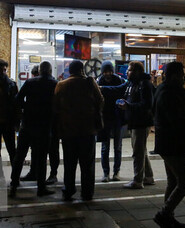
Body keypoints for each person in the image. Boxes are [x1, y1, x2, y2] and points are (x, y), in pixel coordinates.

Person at [152, 61, 185, 228]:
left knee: (173, 182)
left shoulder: (164, 90)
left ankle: (168, 219)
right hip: (173, 143)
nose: (184, 77)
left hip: (168, 142)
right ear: (174, 75)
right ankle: (164, 214)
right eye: (182, 74)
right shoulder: (169, 93)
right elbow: (179, 118)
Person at [53, 60, 104, 201]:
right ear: (82, 70)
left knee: (69, 163)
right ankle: (87, 192)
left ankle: (69, 190)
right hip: (87, 130)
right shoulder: (89, 82)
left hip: (68, 131)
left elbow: (55, 107)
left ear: (69, 70)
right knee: (87, 164)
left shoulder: (61, 85)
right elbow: (100, 101)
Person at [102, 61, 155, 189]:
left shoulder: (144, 84)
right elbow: (118, 89)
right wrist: (101, 88)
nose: (127, 72)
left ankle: (138, 180)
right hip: (134, 122)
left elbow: (147, 105)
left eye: (130, 70)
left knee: (138, 151)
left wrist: (128, 106)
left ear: (137, 72)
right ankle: (148, 177)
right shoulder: (131, 83)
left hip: (141, 123)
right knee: (141, 150)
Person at [9, 61, 57, 198]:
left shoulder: (30, 82)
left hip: (28, 123)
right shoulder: (54, 84)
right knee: (42, 157)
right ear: (50, 70)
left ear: (40, 70)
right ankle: (41, 188)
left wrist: (27, 108)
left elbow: (17, 100)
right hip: (45, 125)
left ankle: (13, 185)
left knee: (20, 155)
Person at [96, 60, 125, 182]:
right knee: (105, 147)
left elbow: (121, 91)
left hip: (117, 117)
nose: (108, 74)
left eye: (109, 71)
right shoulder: (99, 81)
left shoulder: (118, 81)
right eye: (105, 71)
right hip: (105, 118)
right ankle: (106, 173)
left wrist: (104, 89)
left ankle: (116, 172)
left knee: (117, 147)